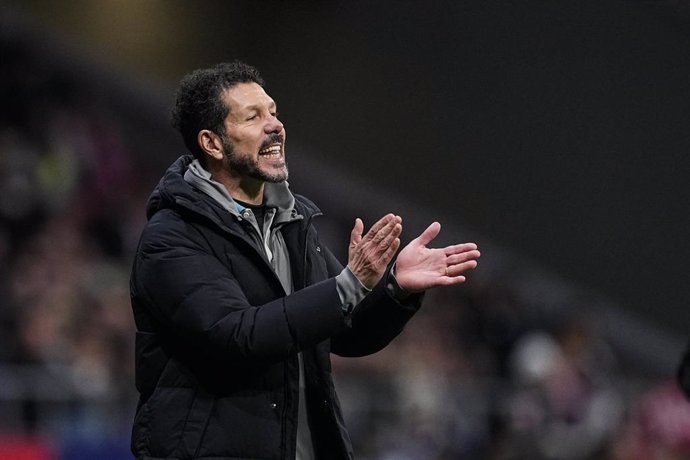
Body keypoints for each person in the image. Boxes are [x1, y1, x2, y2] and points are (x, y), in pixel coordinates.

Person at [129, 60, 480, 460]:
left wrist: (394, 288)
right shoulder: (172, 237)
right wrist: (350, 284)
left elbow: (346, 332)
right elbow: (237, 338)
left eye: (274, 112)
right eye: (253, 117)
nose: (275, 125)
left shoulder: (295, 223)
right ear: (212, 143)